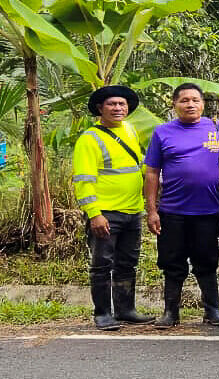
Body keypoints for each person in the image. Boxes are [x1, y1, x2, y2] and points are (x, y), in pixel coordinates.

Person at [144, 83, 219, 329]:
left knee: (206, 262)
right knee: (172, 263)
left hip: (207, 211)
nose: (190, 104)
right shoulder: (162, 132)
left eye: (195, 100)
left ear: (203, 104)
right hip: (172, 211)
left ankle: (212, 311)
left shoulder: (217, 128)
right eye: (184, 100)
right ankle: (170, 313)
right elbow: (152, 173)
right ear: (174, 105)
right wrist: (152, 210)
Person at [73, 85, 154, 331]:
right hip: (106, 213)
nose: (118, 108)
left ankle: (125, 309)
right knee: (101, 264)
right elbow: (83, 181)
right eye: (112, 104)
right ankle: (102, 313)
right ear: (100, 108)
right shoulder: (90, 139)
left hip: (132, 211)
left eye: (122, 104)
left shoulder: (129, 130)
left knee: (127, 263)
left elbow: (137, 166)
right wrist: (94, 214)